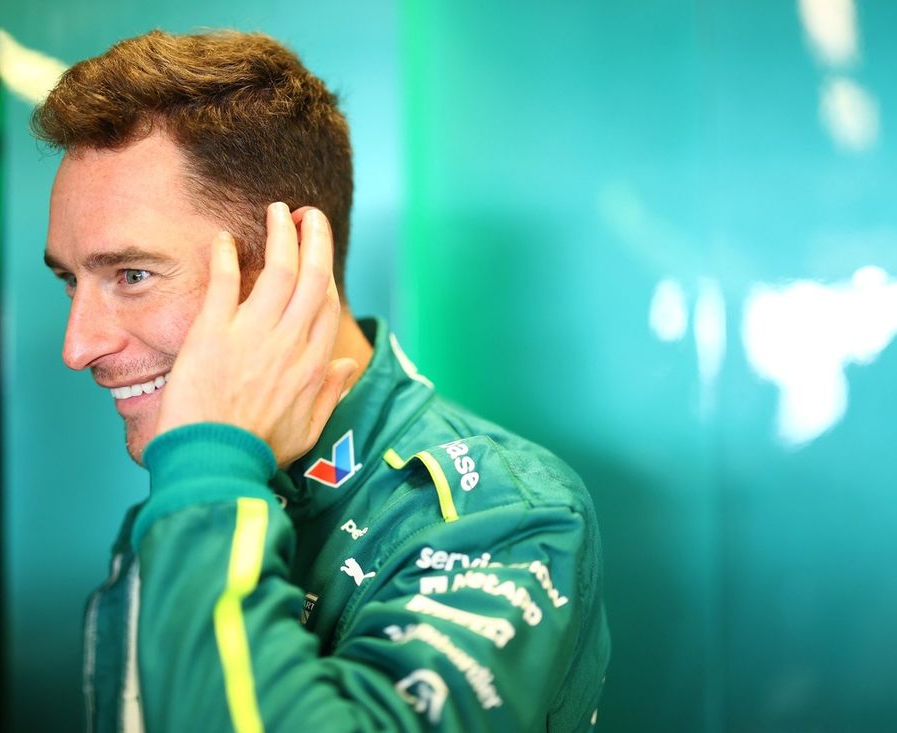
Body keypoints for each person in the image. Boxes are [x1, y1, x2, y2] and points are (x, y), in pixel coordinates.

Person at [36, 29, 609, 732]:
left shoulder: (507, 516)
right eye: (71, 280)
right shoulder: (211, 465)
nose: (78, 346)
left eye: (132, 275)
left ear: (295, 258)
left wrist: (210, 469)